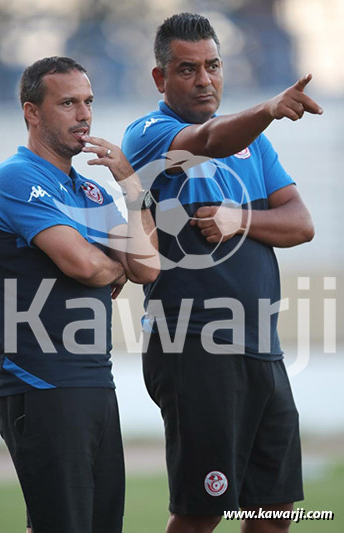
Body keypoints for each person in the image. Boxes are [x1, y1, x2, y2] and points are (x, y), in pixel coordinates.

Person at [122, 12, 322, 533]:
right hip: (194, 344)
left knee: (274, 511)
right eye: (188, 69)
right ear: (160, 79)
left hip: (262, 346)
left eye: (213, 65)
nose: (205, 79)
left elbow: (301, 223)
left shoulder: (256, 142)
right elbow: (209, 139)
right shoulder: (148, 134)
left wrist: (241, 218)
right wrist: (270, 108)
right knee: (201, 510)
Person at [0, 56, 159, 533]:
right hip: (40, 382)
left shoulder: (91, 191)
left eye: (88, 102)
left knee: (101, 524)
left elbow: (147, 268)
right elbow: (85, 265)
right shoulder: (14, 178)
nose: (84, 114)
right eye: (67, 103)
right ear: (32, 113)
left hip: (93, 380)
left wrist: (130, 187)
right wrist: (112, 265)